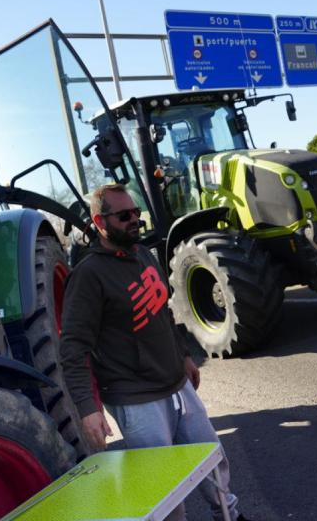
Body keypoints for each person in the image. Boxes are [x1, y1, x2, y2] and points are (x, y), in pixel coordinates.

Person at [59, 183, 248, 521]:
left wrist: (184, 356)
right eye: (124, 215)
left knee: (211, 458)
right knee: (166, 486)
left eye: (136, 212)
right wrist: (89, 409)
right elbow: (73, 348)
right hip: (135, 397)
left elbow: (164, 311)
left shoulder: (142, 253)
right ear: (100, 222)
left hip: (176, 384)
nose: (135, 220)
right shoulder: (88, 275)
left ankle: (228, 515)